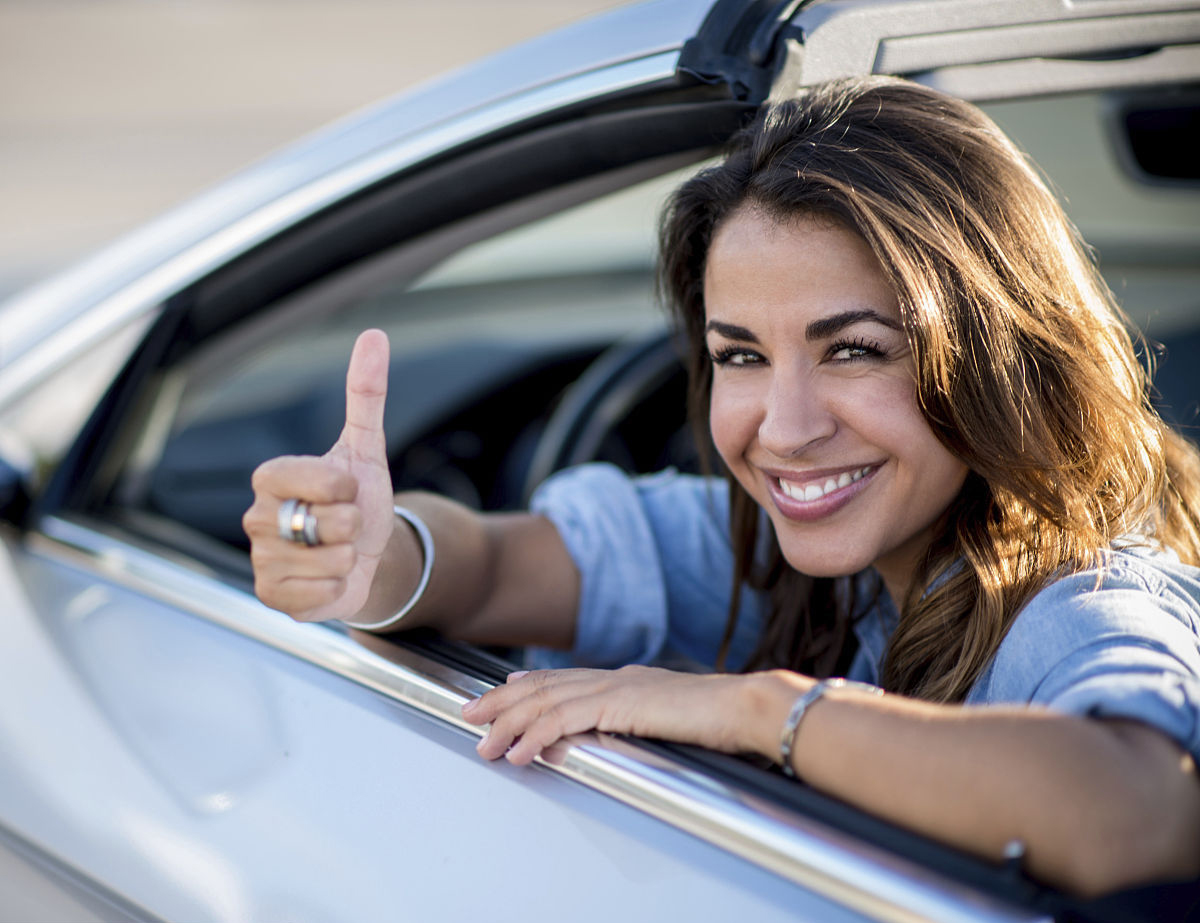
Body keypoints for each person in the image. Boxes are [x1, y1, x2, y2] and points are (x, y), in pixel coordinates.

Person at [242, 76, 1200, 897]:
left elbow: (1140, 811)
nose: (784, 428)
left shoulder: (1088, 600)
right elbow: (488, 568)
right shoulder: (773, 551)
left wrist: (757, 710)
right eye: (741, 355)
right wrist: (372, 556)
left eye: (855, 350)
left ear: (998, 357)